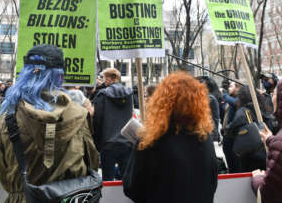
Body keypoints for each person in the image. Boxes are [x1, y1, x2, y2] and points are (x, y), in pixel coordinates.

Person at [0, 45, 99, 202]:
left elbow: (2, 171)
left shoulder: (8, 117)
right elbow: (92, 164)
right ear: (60, 76)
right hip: (67, 198)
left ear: (26, 73)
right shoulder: (79, 115)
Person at [123, 72, 218, 203]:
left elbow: (131, 187)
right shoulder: (205, 138)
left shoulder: (151, 140)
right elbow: (212, 184)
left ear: (161, 101)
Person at [92, 67, 133, 181]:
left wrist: (97, 142)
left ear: (111, 78)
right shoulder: (129, 94)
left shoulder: (102, 95)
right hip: (127, 142)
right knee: (126, 180)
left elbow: (97, 120)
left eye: (105, 78)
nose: (104, 81)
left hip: (108, 143)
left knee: (107, 180)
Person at [225, 85, 267, 172]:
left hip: (249, 157)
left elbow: (231, 130)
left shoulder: (243, 112)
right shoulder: (262, 108)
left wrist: (226, 128)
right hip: (264, 154)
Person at [221, 81, 242, 173]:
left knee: (235, 163)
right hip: (226, 135)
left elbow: (234, 103)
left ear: (237, 88)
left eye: (231, 86)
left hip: (233, 137)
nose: (229, 88)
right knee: (229, 161)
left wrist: (224, 94)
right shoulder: (231, 100)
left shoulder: (238, 100)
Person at [196, 76, 221, 142]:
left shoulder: (210, 99)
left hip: (207, 133)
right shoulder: (209, 98)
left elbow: (212, 118)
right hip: (207, 133)